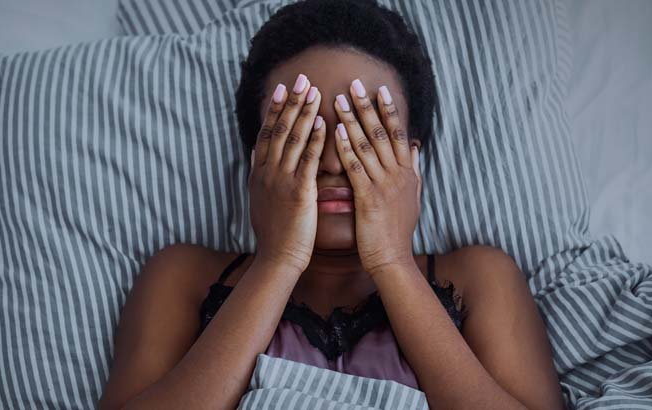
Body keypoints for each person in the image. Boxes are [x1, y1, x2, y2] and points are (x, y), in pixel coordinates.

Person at [99, 0, 562, 409]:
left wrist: (392, 261)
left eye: (364, 132)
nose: (335, 162)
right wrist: (277, 261)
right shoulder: (183, 277)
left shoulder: (479, 278)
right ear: (257, 158)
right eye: (303, 133)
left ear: (413, 162)